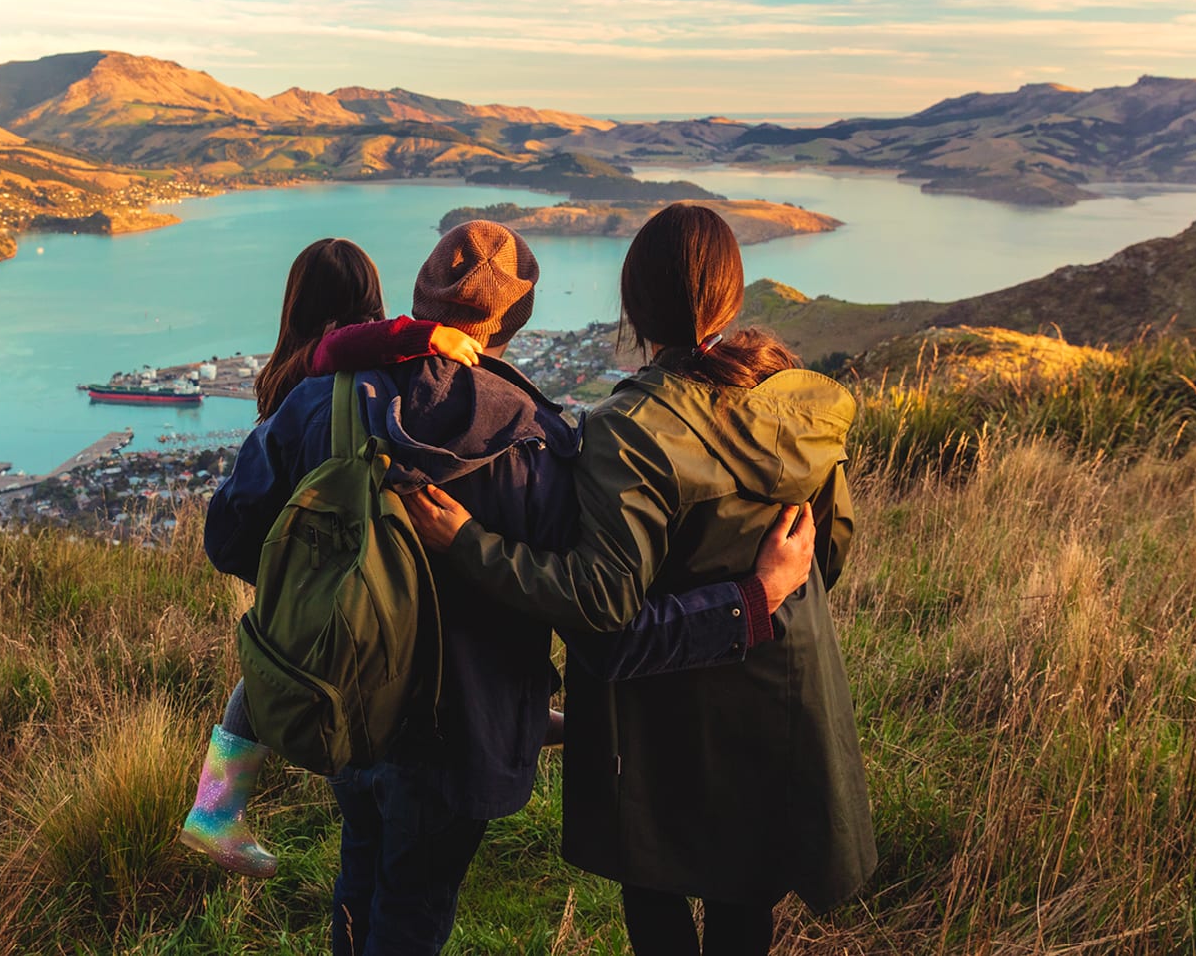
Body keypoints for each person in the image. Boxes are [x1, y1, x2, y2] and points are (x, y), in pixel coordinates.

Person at [196, 220, 822, 956]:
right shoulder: (544, 442)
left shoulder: (321, 401)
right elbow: (600, 620)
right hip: (461, 740)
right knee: (411, 908)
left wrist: (331, 590)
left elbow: (229, 538)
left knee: (361, 874)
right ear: (516, 320)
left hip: (343, 706)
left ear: (420, 299)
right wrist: (752, 599)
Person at [407, 203, 877, 956]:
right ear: (729, 294)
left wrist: (467, 542)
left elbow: (598, 601)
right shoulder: (799, 404)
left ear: (633, 305)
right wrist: (766, 594)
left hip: (658, 713)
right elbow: (833, 547)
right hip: (775, 688)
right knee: (745, 900)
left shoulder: (630, 429)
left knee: (656, 902)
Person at [180, 235, 486, 875]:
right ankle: (544, 721)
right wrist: (427, 336)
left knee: (266, 665)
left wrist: (285, 574)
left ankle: (216, 811)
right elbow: (346, 343)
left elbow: (229, 532)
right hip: (405, 608)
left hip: (318, 603)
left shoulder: (296, 393)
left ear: (298, 308)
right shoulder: (405, 389)